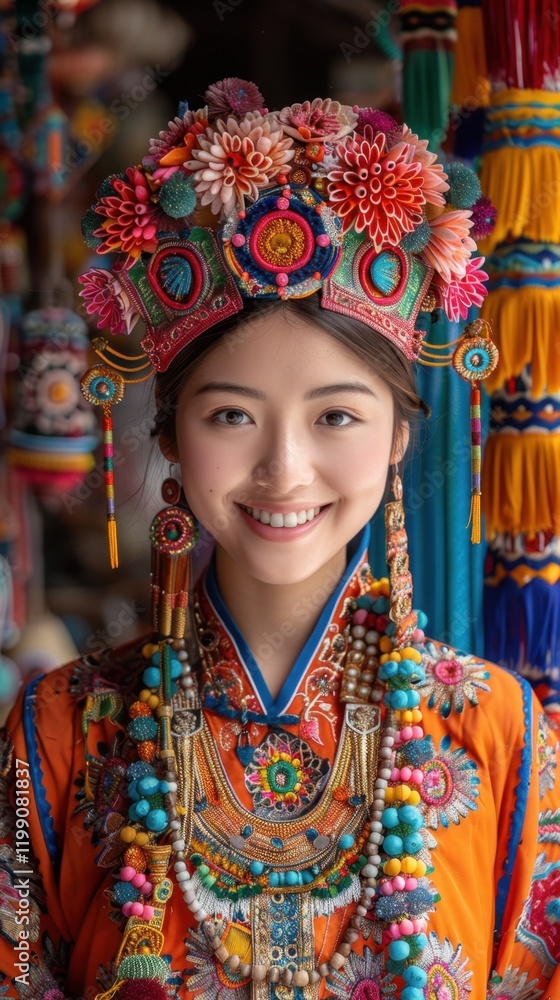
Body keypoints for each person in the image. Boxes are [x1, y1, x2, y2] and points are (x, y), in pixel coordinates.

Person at [1, 79, 559, 1000]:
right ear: (172, 436)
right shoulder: (61, 732)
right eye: (232, 415)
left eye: (337, 417)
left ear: (398, 442)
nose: (285, 471)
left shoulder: (501, 735)